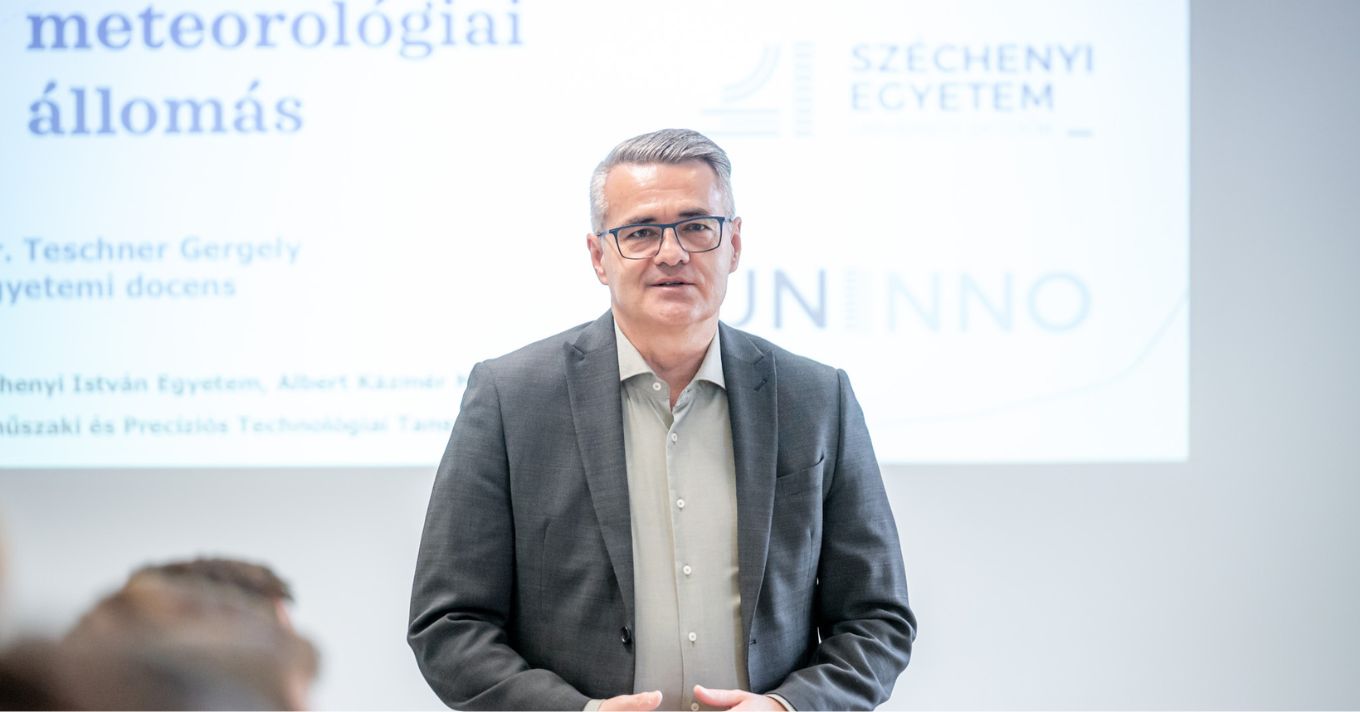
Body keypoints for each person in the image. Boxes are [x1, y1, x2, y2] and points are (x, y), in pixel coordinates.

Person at [408, 128, 916, 711]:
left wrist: (788, 708)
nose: (671, 253)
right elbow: (449, 624)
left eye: (696, 226)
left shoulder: (816, 398)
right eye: (641, 232)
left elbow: (877, 619)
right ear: (599, 257)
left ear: (734, 245)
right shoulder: (510, 398)